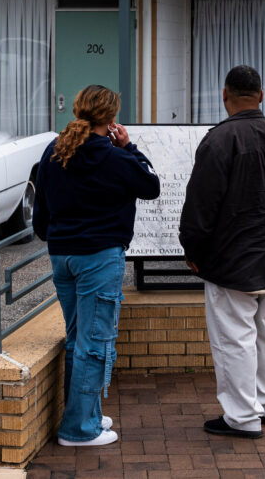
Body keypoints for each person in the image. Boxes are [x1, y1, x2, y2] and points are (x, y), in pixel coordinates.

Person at [33, 84, 160, 447]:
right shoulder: (115, 157)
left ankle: (85, 415)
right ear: (111, 118)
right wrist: (129, 147)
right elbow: (151, 185)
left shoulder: (53, 150)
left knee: (78, 341)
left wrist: (55, 237)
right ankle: (78, 430)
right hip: (99, 257)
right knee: (95, 342)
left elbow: (41, 210)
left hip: (62, 256)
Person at [179, 65, 265, 439]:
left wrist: (193, 248)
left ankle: (241, 417)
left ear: (224, 94)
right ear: (261, 96)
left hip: (231, 257)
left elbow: (201, 204)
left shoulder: (219, 140)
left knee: (234, 337)